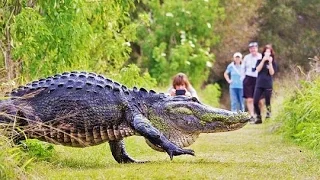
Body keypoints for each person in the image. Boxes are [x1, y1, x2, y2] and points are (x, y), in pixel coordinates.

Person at [252, 45, 276, 124]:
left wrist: (270, 62)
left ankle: (268, 116)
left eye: (269, 52)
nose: (267, 53)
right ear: (264, 52)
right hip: (259, 84)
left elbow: (271, 73)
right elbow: (257, 70)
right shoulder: (259, 60)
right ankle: (258, 117)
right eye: (266, 51)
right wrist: (263, 60)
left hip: (268, 84)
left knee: (267, 101)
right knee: (255, 101)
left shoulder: (273, 62)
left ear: (271, 53)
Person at [241, 42, 262, 120]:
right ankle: (252, 115)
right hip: (248, 78)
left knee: (259, 100)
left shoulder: (261, 56)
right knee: (249, 99)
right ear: (249, 49)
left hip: (258, 79)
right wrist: (243, 79)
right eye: (251, 48)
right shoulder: (246, 57)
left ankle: (258, 114)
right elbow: (243, 68)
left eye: (254, 48)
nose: (253, 49)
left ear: (257, 48)